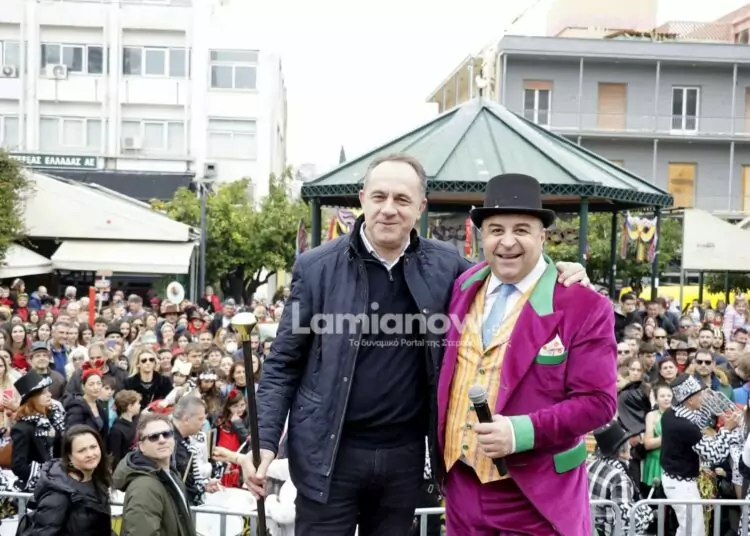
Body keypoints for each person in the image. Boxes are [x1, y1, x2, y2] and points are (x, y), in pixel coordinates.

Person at [229, 154, 589, 535]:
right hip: (327, 455)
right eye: (379, 196)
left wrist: (555, 271)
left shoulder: (448, 266)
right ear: (362, 199)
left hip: (404, 459)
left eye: (402, 199)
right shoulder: (316, 268)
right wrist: (264, 442)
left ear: (421, 207)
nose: (389, 209)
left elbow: (507, 266)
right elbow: (283, 364)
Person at [437, 173, 617, 535]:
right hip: (462, 489)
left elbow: (599, 403)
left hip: (537, 496)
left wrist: (520, 433)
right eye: (496, 230)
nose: (507, 242)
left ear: (542, 236)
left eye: (521, 230)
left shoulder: (583, 304)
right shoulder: (461, 287)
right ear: (482, 237)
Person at [660, 374, 741, 536]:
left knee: (688, 529)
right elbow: (714, 455)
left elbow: (699, 419)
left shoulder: (671, 413)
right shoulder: (684, 426)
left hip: (677, 480)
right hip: (681, 485)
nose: (703, 397)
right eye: (699, 394)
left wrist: (712, 405)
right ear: (690, 400)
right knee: (693, 531)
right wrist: (727, 429)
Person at [113, 412, 197, 536]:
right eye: (153, 437)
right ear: (141, 446)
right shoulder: (144, 488)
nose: (162, 440)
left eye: (167, 434)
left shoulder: (170, 475)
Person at [17, 425, 113, 534]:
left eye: (93, 447)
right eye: (82, 450)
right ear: (70, 456)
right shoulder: (58, 495)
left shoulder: (97, 479)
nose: (90, 454)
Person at [587, 421, 654, 536]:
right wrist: (648, 513)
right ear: (622, 451)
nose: (630, 445)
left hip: (589, 528)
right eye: (627, 443)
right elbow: (627, 523)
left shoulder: (591, 465)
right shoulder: (619, 478)